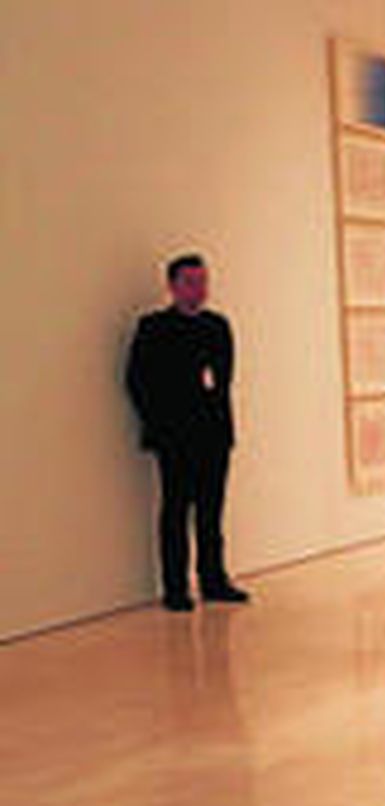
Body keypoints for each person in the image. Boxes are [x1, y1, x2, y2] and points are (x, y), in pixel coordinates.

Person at [126, 254, 250, 612]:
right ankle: (176, 588)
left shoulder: (217, 325)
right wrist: (161, 421)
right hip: (174, 437)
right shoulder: (153, 327)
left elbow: (222, 379)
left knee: (211, 512)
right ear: (172, 286)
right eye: (191, 282)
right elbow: (137, 381)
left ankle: (214, 580)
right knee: (176, 511)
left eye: (203, 281)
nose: (199, 289)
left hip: (213, 435)